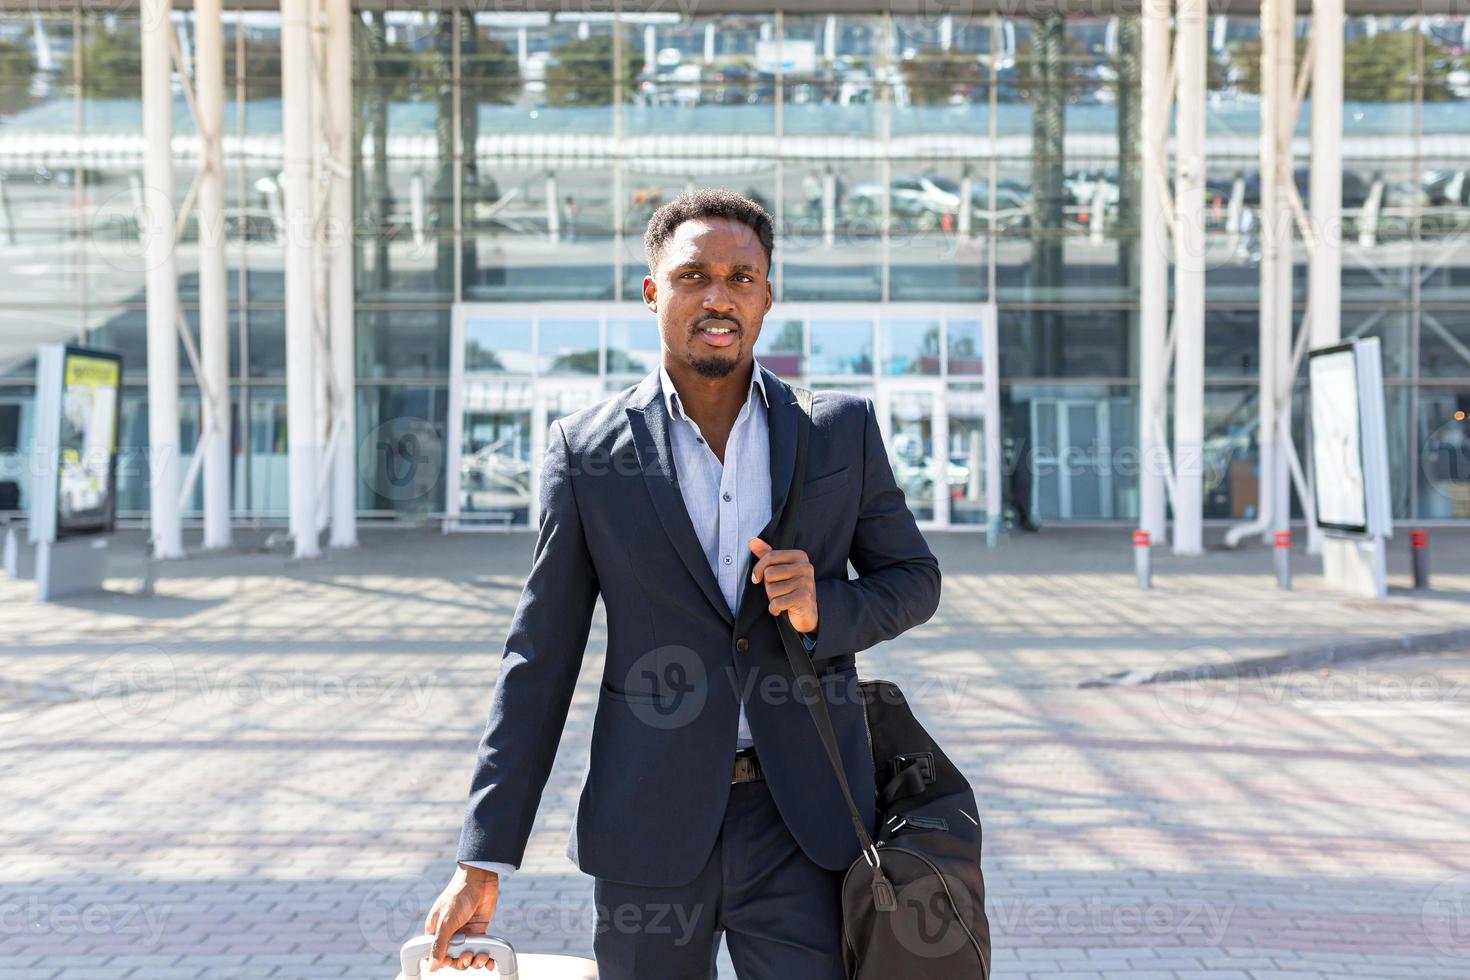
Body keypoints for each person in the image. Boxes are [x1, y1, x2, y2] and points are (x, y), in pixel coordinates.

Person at [423, 188, 941, 978]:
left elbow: (914, 580)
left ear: (768, 296)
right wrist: (483, 856)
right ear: (652, 291)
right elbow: (539, 657)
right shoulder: (588, 452)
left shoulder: (838, 430)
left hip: (804, 823)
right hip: (647, 824)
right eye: (694, 275)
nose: (718, 296)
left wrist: (825, 608)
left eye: (741, 277)